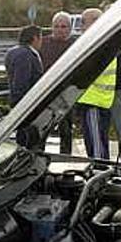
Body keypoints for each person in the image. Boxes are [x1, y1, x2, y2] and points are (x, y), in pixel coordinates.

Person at [74, 8, 114, 160]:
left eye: (84, 22)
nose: (81, 26)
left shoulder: (97, 44)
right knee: (98, 143)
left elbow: (84, 71)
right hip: (96, 100)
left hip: (93, 101)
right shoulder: (105, 42)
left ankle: (98, 173)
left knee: (96, 147)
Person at [41, 12, 76, 154]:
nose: (60, 29)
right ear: (51, 27)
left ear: (69, 28)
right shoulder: (43, 43)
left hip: (66, 92)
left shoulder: (76, 44)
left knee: (66, 129)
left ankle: (66, 156)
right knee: (42, 128)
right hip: (46, 92)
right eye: (57, 26)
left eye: (63, 26)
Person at [5, 26, 43, 147]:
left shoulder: (13, 52)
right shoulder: (26, 55)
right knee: (28, 140)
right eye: (40, 38)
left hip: (18, 104)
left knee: (23, 139)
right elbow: (21, 82)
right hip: (26, 105)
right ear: (35, 38)